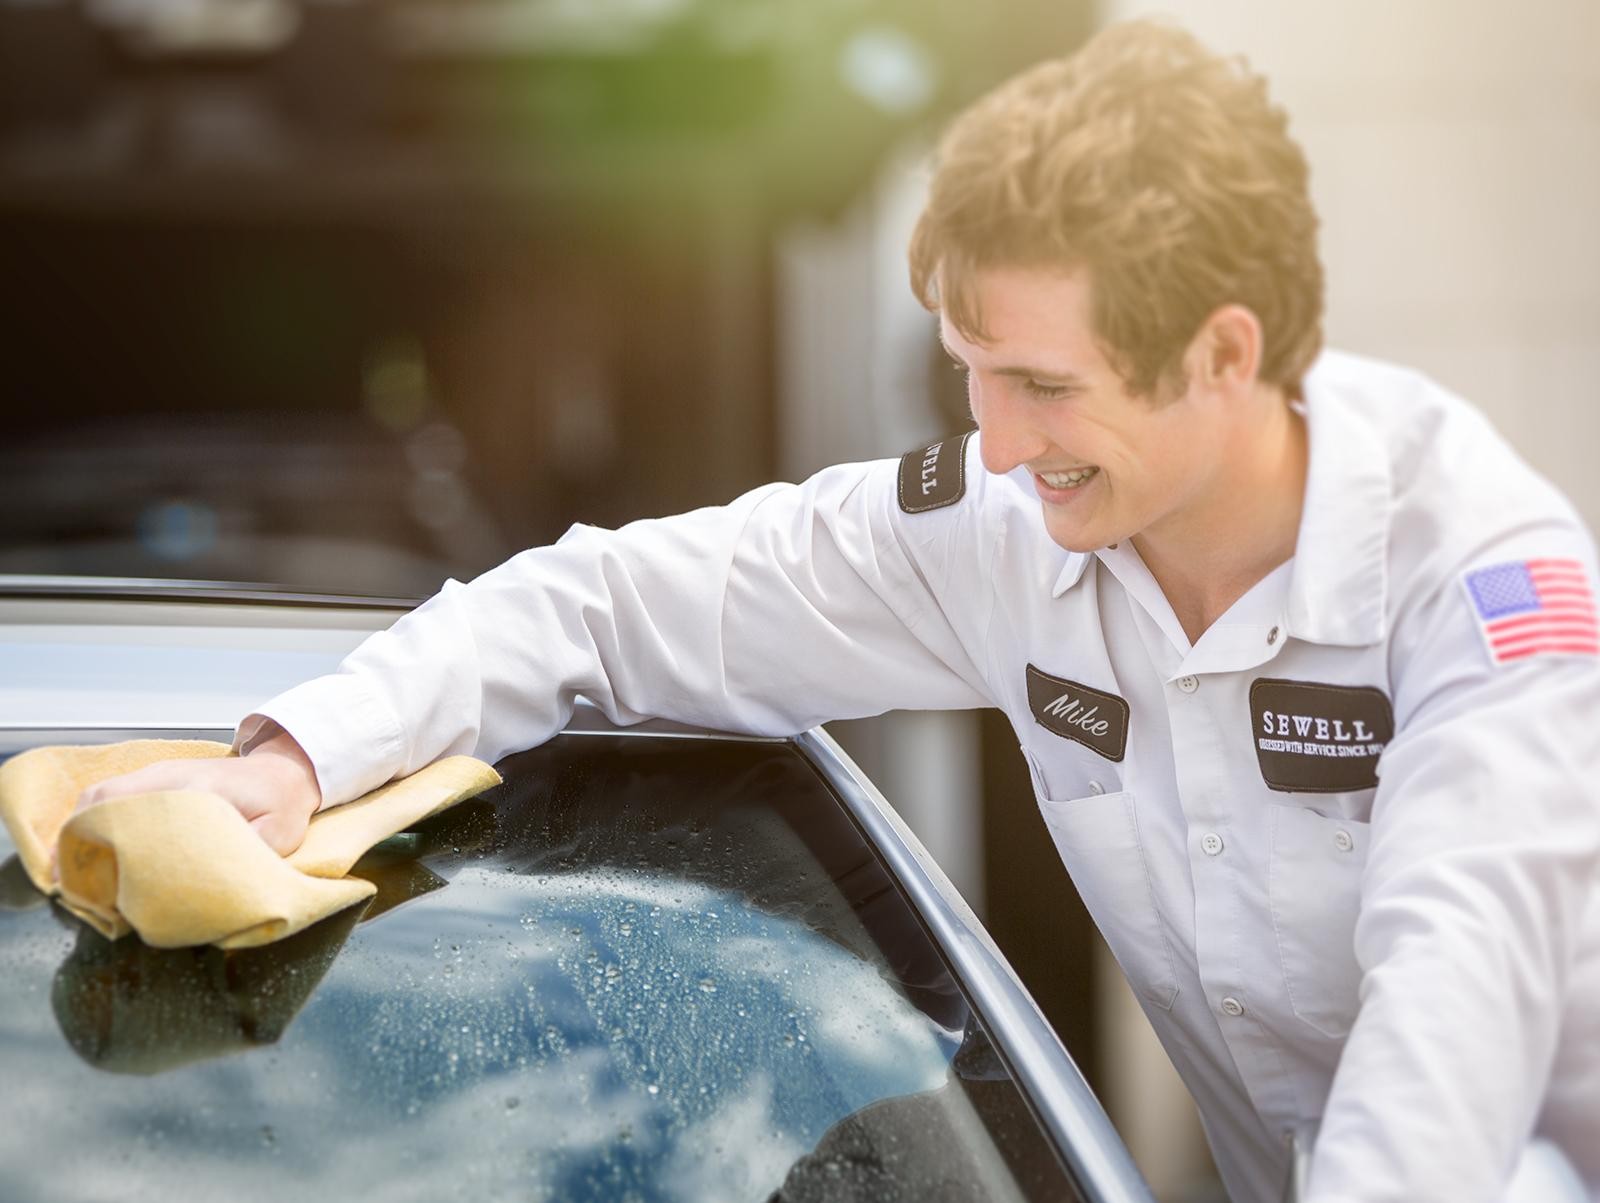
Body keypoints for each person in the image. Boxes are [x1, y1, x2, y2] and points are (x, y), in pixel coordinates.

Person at [75, 19, 1598, 1203]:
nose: (994, 444)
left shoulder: (1488, 593)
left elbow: (1443, 1052)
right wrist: (292, 765)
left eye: (1045, 387)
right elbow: (602, 608)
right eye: (966, 371)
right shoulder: (1020, 520)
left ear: (1222, 351)